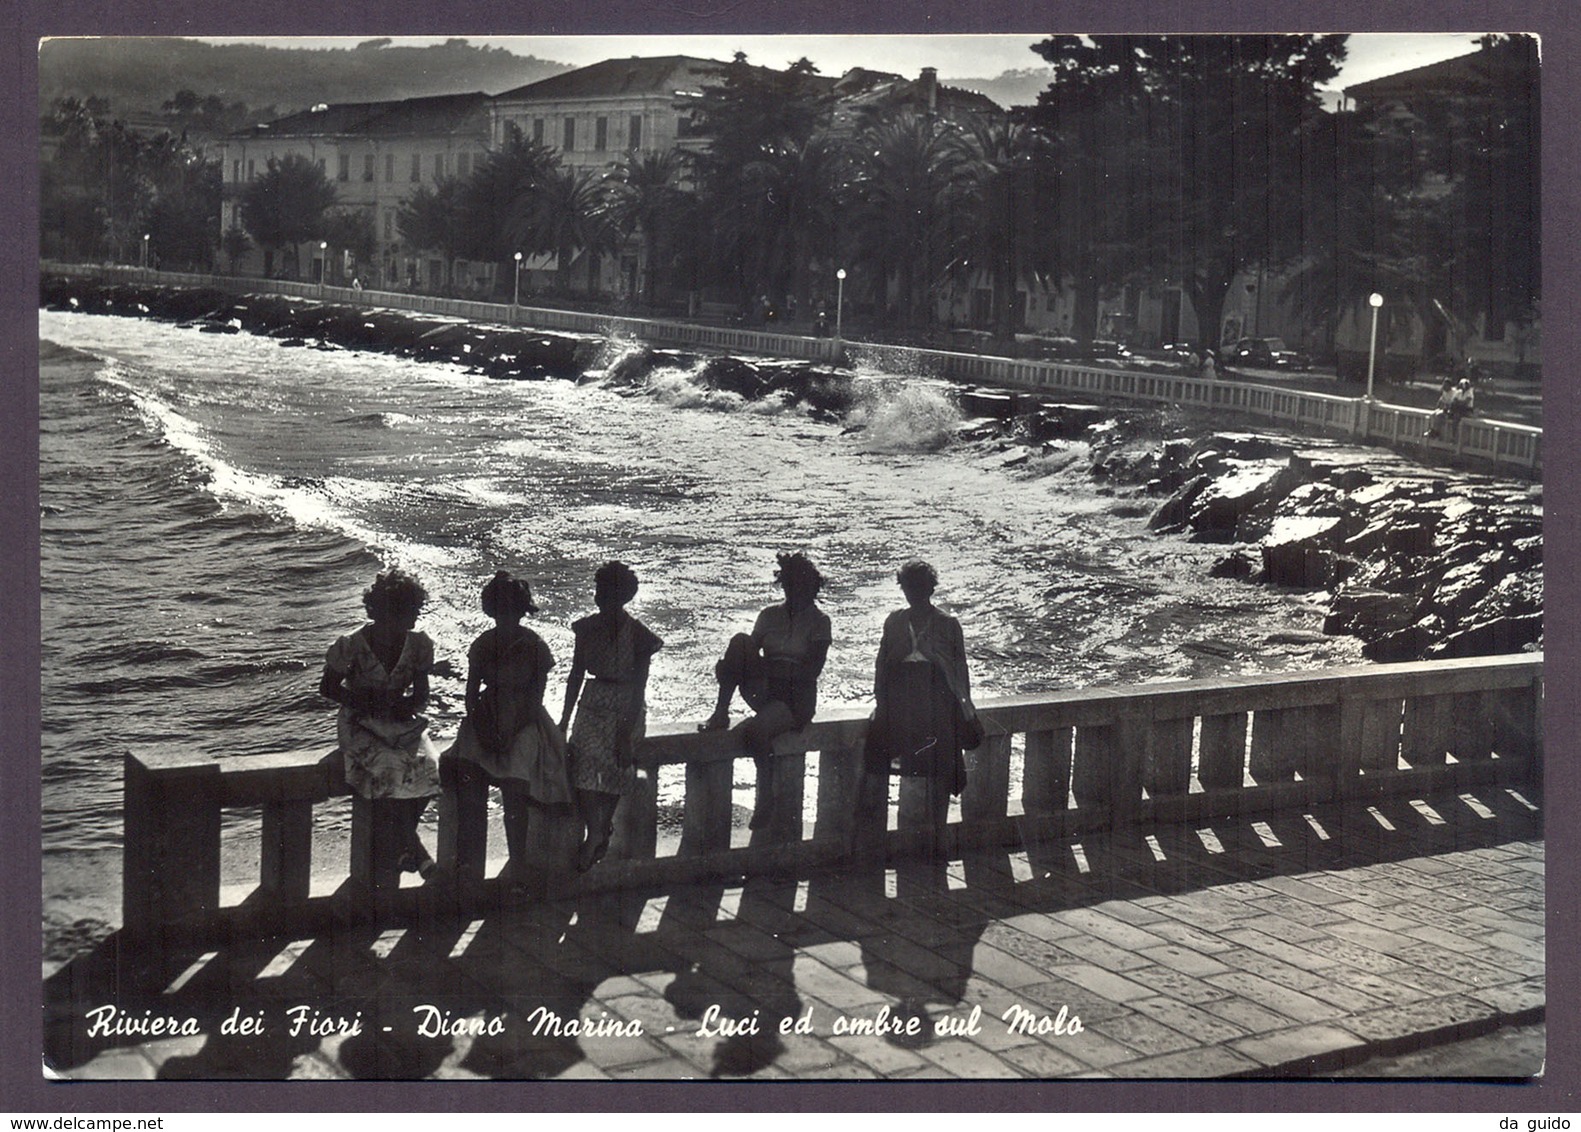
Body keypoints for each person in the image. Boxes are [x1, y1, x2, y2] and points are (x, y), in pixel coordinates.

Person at [441, 571, 572, 888]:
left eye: (511, 610)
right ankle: (469, 871)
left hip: (525, 720)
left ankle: (519, 866)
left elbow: (535, 698)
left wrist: (510, 732)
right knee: (470, 786)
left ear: (521, 610)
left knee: (516, 792)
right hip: (485, 717)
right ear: (492, 611)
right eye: (500, 610)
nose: (506, 617)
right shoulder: (482, 644)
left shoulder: (536, 646)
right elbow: (471, 695)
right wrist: (483, 728)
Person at [319, 568, 442, 880]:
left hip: (399, 721)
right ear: (388, 612)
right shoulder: (352, 645)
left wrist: (405, 706)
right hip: (360, 721)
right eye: (409, 612)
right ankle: (415, 848)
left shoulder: (417, 645)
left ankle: (403, 846)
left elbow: (422, 693)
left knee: (430, 767)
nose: (415, 619)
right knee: (387, 767)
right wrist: (369, 702)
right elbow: (328, 687)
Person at [700, 553, 831, 830]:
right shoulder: (769, 615)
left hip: (797, 696)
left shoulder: (820, 622)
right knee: (739, 642)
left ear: (812, 588)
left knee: (757, 731)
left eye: (801, 586)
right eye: (789, 585)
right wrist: (730, 668)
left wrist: (769, 670)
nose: (794, 591)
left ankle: (766, 795)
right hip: (768, 688)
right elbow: (748, 653)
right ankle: (720, 713)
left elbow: (812, 671)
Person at [864, 561, 983, 853]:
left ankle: (938, 838)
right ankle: (885, 840)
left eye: (916, 587)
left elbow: (960, 669)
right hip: (900, 695)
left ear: (929, 588)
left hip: (935, 696)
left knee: (941, 768)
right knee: (879, 759)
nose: (911, 593)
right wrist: (880, 699)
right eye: (907, 587)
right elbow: (882, 663)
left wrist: (964, 706)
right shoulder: (894, 620)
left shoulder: (948, 622)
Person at [560, 562, 664, 872]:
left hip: (625, 706)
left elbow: (640, 687)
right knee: (582, 769)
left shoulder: (640, 636)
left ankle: (597, 834)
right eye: (599, 590)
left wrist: (624, 731)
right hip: (592, 703)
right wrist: (564, 720)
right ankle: (599, 831)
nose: (601, 597)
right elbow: (576, 674)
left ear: (623, 596)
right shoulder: (586, 628)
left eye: (607, 591)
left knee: (614, 770)